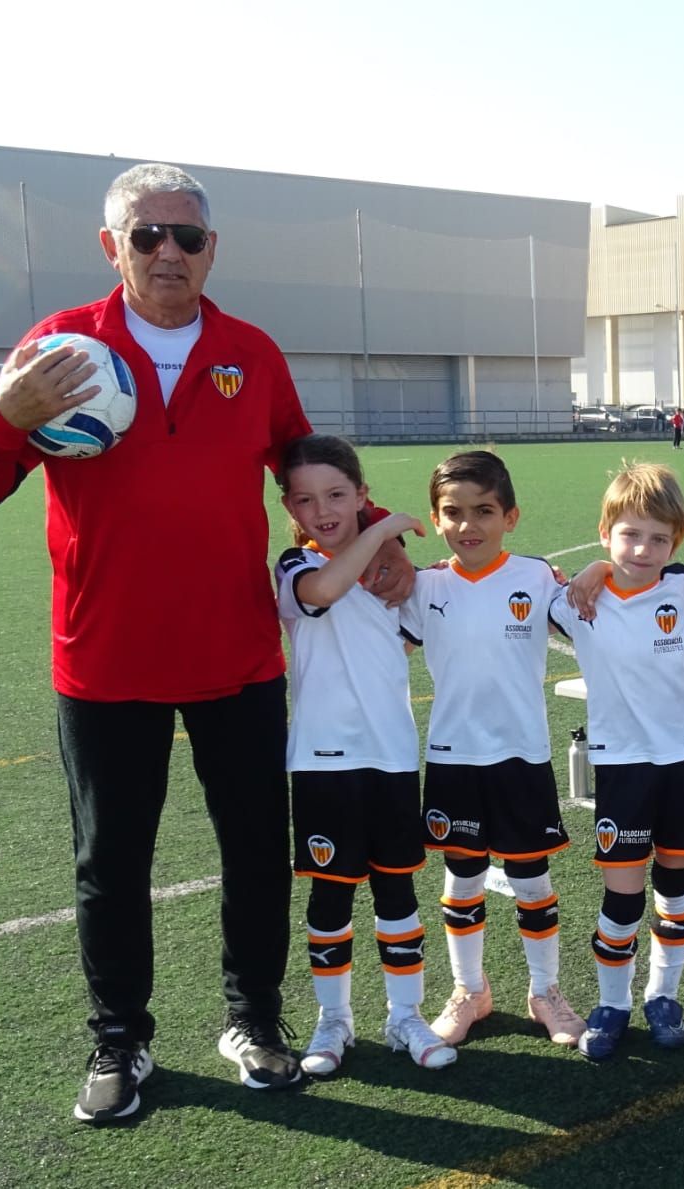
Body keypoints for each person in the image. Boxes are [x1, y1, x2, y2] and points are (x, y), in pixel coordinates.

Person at [0, 163, 413, 1123]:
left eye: (186, 237)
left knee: (252, 849)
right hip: (105, 657)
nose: (167, 252)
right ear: (111, 245)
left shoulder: (251, 350)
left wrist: (375, 538)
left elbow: (308, 469)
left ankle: (254, 1019)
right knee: (110, 860)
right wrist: (5, 416)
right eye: (146, 235)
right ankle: (120, 1039)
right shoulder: (59, 348)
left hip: (236, 653)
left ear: (210, 250)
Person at [273, 435, 455, 1075]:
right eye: (304, 498)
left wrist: (389, 545)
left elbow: (411, 629)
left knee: (396, 892)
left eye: (337, 494)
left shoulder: (392, 576)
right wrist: (388, 529)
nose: (321, 508)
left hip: (392, 757)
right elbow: (324, 590)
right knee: (329, 897)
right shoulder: (294, 569)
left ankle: (406, 1015)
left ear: (360, 496)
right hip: (323, 761)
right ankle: (333, 1021)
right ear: (290, 509)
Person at [398, 451, 586, 1049]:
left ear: (511, 516)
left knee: (531, 878)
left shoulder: (535, 577)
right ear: (435, 517)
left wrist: (601, 571)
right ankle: (470, 991)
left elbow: (591, 621)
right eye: (452, 512)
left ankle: (544, 992)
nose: (467, 525)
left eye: (483, 511)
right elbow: (381, 651)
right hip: (453, 758)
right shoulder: (423, 586)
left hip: (521, 757)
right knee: (462, 877)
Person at [552, 463, 684, 1060]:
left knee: (676, 884)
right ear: (605, 532)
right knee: (621, 896)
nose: (643, 549)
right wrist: (591, 572)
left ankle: (663, 996)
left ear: (676, 541)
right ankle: (613, 1003)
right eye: (629, 535)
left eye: (659, 538)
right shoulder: (573, 600)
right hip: (622, 764)